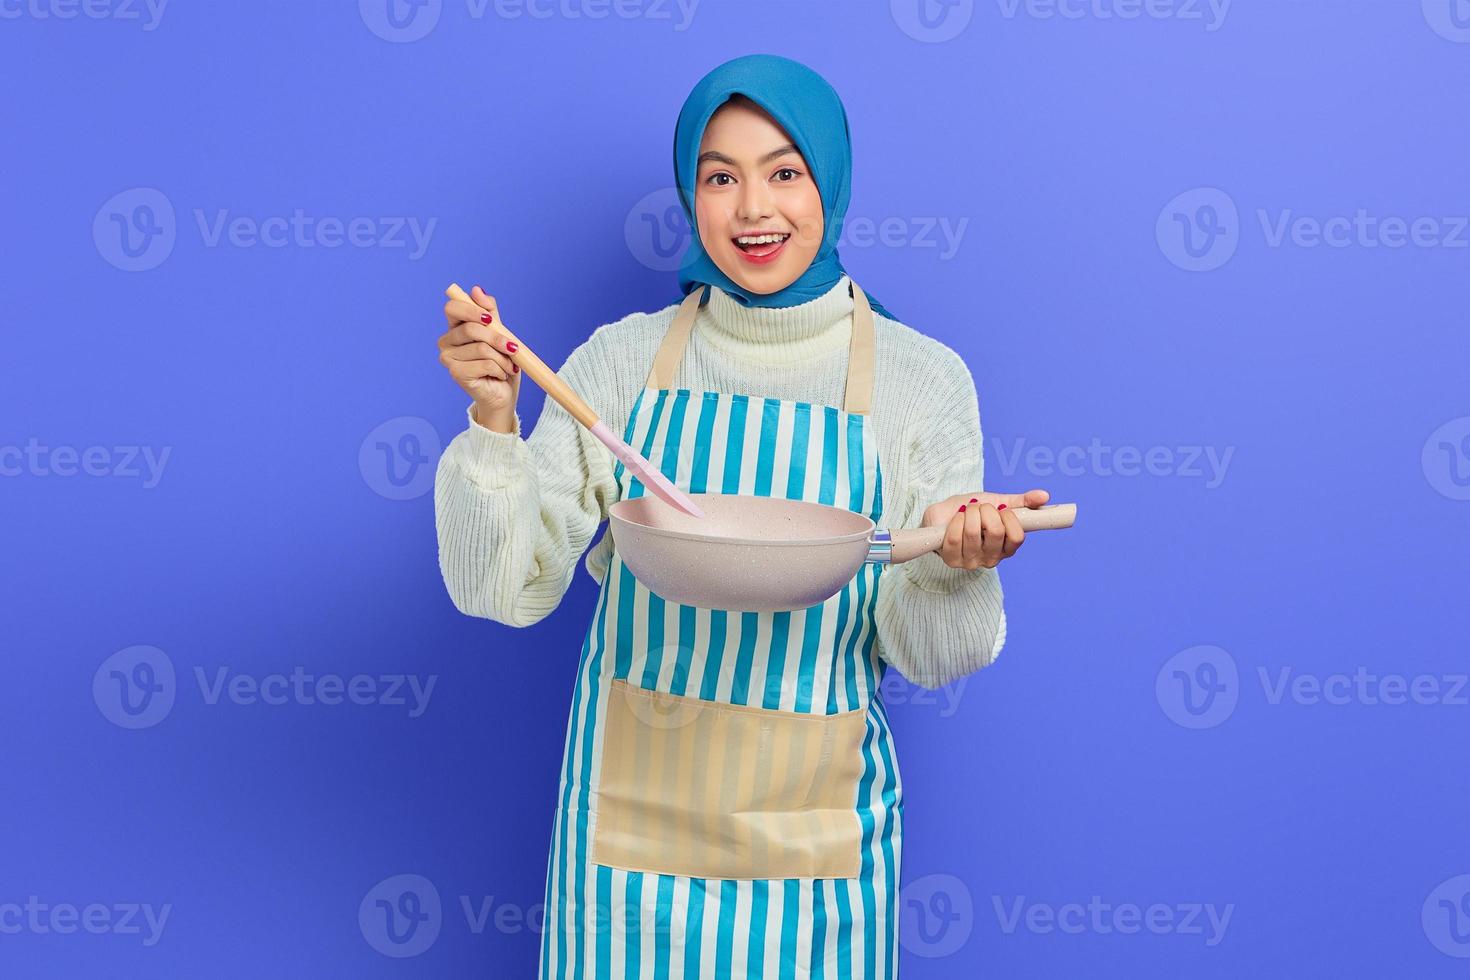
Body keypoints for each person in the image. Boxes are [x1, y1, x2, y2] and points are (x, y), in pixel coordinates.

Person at [433, 53, 1049, 980]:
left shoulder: (923, 382)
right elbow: (500, 591)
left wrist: (964, 563)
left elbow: (932, 653)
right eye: (721, 177)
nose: (753, 209)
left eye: (785, 173)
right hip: (626, 860)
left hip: (816, 855)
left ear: (830, 185)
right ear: (692, 192)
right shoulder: (620, 361)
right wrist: (492, 424)